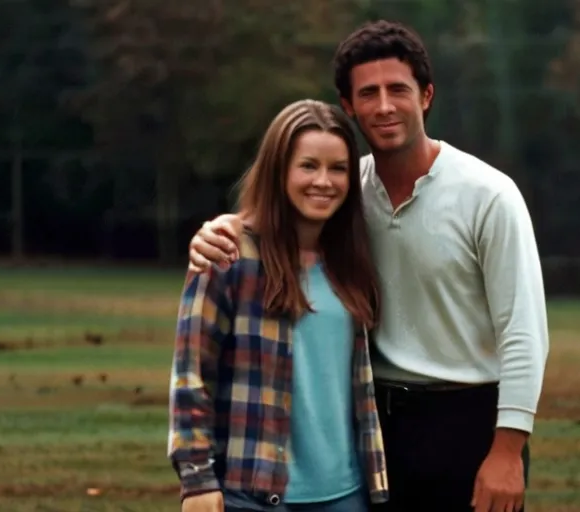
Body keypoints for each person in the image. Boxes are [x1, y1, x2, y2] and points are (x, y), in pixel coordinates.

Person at [186, 20, 549, 512]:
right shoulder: (346, 192)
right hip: (377, 428)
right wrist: (222, 227)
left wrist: (508, 450)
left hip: (468, 420)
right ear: (348, 106)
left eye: (398, 89)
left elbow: (524, 334)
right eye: (368, 93)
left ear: (426, 95)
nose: (383, 106)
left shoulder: (489, 196)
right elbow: (279, 213)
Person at [167, 99, 389, 512]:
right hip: (253, 495)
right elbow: (191, 376)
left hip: (348, 495)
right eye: (308, 165)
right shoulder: (229, 254)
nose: (324, 181)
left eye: (338, 168)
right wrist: (197, 479)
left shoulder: (353, 264)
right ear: (279, 169)